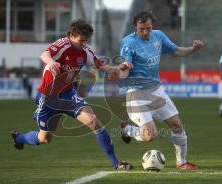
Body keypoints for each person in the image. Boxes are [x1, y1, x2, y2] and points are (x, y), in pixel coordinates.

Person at [10, 19, 132, 170]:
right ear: (71, 36)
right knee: (44, 138)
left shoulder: (85, 51)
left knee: (94, 121)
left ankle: (115, 162)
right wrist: (51, 62)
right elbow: (44, 54)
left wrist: (118, 68)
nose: (83, 44)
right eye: (80, 41)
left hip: (68, 95)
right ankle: (20, 138)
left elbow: (101, 66)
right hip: (48, 98)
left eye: (86, 41)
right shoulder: (63, 44)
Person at [118, 11, 203, 170]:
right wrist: (124, 69)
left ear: (152, 26)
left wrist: (193, 49)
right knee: (150, 136)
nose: (144, 32)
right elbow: (124, 70)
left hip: (156, 90)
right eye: (141, 29)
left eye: (148, 28)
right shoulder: (128, 42)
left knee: (177, 125)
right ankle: (127, 130)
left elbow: (176, 51)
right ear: (135, 26)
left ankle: (181, 162)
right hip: (137, 94)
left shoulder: (158, 36)